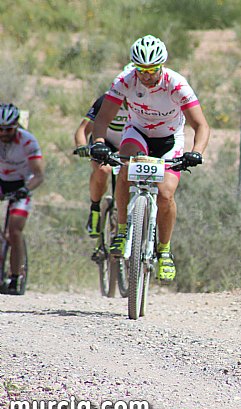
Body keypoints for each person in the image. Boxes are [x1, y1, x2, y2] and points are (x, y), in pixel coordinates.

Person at [90, 35, 210, 282]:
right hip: (138, 133)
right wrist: (100, 144)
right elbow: (101, 120)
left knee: (166, 194)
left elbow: (201, 125)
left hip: (169, 139)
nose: (146, 75)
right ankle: (122, 231)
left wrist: (197, 152)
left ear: (162, 65)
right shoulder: (125, 81)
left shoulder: (177, 84)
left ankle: (164, 251)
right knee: (125, 168)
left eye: (152, 69)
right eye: (141, 69)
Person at [73, 63, 134, 239]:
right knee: (103, 170)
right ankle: (94, 209)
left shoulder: (145, 103)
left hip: (129, 145)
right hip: (105, 142)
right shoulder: (107, 101)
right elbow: (83, 130)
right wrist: (82, 147)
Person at [0, 103, 45, 295]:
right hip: (1, 180)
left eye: (8, 129)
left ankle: (16, 276)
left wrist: (25, 190)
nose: (3, 134)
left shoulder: (28, 141)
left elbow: (39, 175)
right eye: (0, 129)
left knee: (14, 231)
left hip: (21, 184)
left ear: (16, 126)